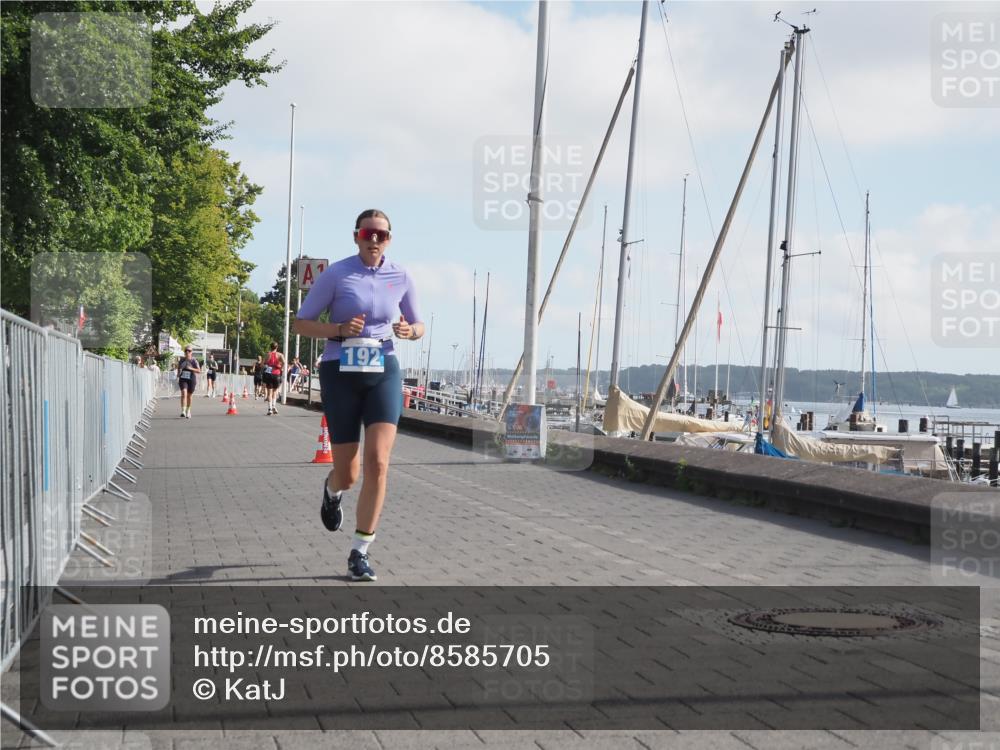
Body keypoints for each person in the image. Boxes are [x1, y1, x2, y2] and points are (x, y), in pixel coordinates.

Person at [294, 209, 423, 582]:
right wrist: (337, 328)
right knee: (348, 473)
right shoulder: (337, 273)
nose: (374, 240)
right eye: (368, 234)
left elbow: (419, 323)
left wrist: (408, 330)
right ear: (356, 236)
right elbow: (301, 322)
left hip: (383, 368)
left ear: (389, 239)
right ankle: (332, 491)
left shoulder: (400, 276)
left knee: (379, 463)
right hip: (340, 370)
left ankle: (360, 551)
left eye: (381, 235)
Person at [176, 347, 201, 418]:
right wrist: (178, 375)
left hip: (191, 379)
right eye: (186, 351)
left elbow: (199, 371)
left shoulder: (194, 361)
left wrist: (190, 368)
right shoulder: (181, 360)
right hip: (183, 379)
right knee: (184, 393)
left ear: (191, 352)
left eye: (189, 351)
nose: (187, 352)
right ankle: (183, 411)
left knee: (189, 395)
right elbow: (179, 369)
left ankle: (188, 410)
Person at [262, 341, 285, 415]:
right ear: (277, 347)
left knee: (269, 392)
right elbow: (284, 362)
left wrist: (266, 366)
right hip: (276, 374)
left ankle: (270, 409)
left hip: (269, 374)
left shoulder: (267, 354)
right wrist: (281, 368)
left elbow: (263, 364)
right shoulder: (280, 355)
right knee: (275, 391)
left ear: (270, 347)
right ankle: (274, 406)